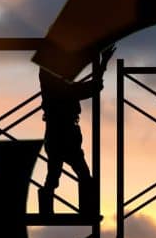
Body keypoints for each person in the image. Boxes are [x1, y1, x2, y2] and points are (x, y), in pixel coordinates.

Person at [38, 44, 114, 217]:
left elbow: (91, 88)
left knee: (61, 175)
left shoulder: (58, 82)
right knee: (59, 175)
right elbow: (86, 89)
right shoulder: (53, 82)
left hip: (63, 132)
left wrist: (102, 64)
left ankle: (75, 210)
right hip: (60, 131)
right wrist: (101, 64)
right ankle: (53, 210)